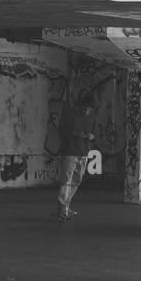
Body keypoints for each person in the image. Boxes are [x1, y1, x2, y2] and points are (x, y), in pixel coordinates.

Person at [56, 89, 97, 221]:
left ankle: (66, 206)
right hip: (70, 151)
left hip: (83, 151)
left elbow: (91, 130)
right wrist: (81, 135)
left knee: (76, 180)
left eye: (90, 108)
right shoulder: (72, 114)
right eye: (86, 108)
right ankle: (63, 208)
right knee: (66, 181)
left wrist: (90, 137)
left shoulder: (91, 116)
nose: (88, 110)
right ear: (81, 106)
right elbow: (63, 130)